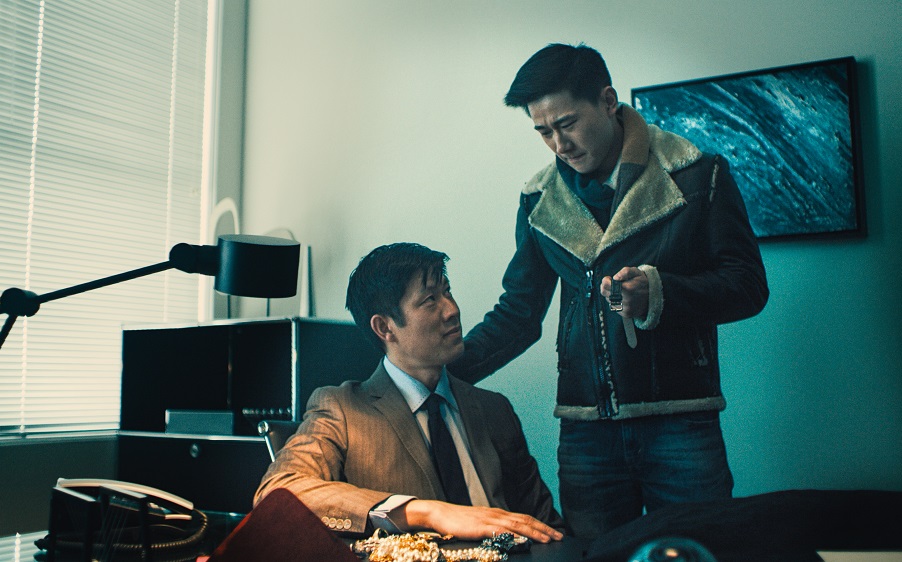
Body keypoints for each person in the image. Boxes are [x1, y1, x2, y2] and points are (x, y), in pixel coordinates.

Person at [448, 43, 770, 541]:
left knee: (702, 550)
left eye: (567, 124)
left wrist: (659, 294)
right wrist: (440, 374)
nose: (559, 143)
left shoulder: (699, 173)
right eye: (543, 131)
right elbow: (519, 312)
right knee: (595, 556)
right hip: (585, 435)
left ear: (607, 100)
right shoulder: (537, 200)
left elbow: (747, 286)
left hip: (681, 423)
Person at [254, 242, 564, 544]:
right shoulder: (341, 409)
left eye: (447, 291)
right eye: (430, 299)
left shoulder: (494, 409)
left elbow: (547, 527)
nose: (452, 310)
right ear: (384, 328)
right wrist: (425, 512)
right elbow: (277, 492)